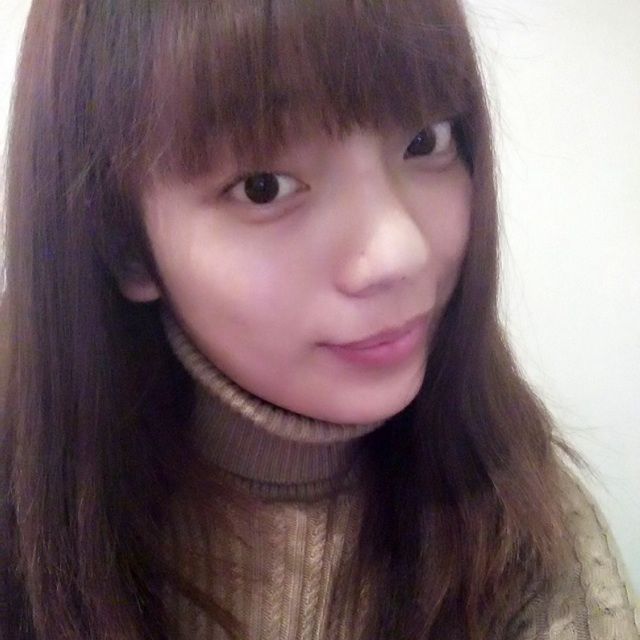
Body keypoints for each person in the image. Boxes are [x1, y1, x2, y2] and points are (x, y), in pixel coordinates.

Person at [0, 1, 637, 639]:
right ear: (124, 247)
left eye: (426, 141)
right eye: (264, 187)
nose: (400, 251)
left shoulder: (527, 523)